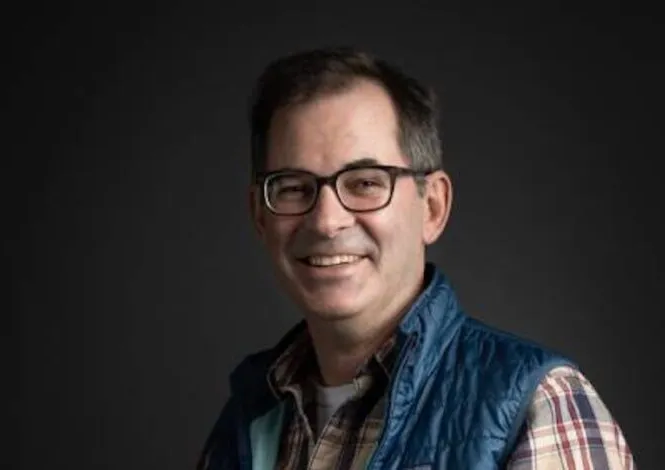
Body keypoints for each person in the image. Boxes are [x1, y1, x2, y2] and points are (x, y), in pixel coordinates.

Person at [196, 46, 636, 469]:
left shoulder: (540, 406)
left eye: (365, 183)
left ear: (433, 208)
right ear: (259, 214)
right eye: (294, 187)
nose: (326, 221)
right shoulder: (245, 420)